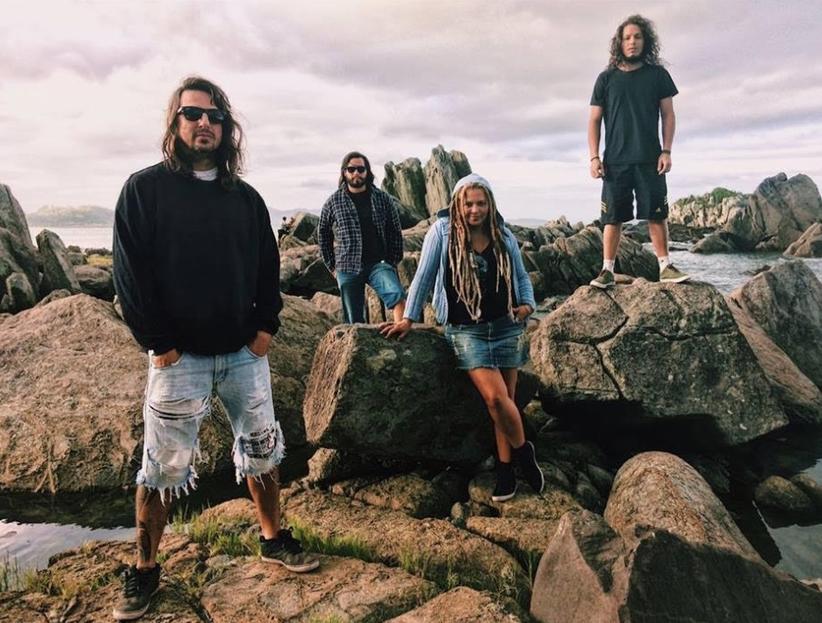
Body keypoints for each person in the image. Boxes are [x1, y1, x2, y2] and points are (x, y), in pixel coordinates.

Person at [112, 76, 318, 621]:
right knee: (161, 468)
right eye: (193, 114)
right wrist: (159, 343)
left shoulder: (245, 199)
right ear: (175, 122)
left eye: (214, 117)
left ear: (226, 129)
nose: (204, 123)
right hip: (177, 359)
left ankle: (273, 539)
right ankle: (144, 569)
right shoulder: (144, 190)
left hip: (242, 355)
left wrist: (265, 329)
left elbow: (267, 268)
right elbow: (129, 274)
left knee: (263, 450)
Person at [381, 174, 543, 502]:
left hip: (506, 326)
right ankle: (524, 452)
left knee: (505, 404)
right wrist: (408, 318)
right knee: (495, 399)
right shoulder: (441, 232)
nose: (474, 210)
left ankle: (505, 470)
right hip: (466, 330)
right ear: (457, 203)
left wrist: (528, 305)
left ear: (490, 204)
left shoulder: (503, 234)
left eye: (481, 203)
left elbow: (521, 275)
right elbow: (423, 276)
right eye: (468, 203)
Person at [588, 14, 689, 288]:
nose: (632, 42)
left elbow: (668, 115)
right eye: (627, 38)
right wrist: (594, 157)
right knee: (612, 218)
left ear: (646, 41)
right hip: (615, 161)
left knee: (656, 214)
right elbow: (594, 120)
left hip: (650, 159)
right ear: (619, 43)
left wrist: (667, 151)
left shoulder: (658, 76)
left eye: (637, 36)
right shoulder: (606, 79)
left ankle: (665, 267)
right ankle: (607, 271)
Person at [318, 151, 406, 323]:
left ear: (367, 172)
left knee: (397, 295)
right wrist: (333, 267)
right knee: (354, 321)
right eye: (351, 169)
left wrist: (392, 261)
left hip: (378, 263)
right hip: (347, 267)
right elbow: (323, 234)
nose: (356, 173)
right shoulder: (333, 202)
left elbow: (395, 230)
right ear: (344, 172)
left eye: (360, 169)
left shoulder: (382, 198)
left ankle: (402, 333)